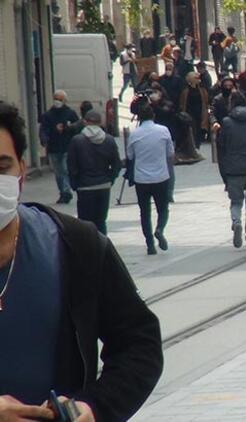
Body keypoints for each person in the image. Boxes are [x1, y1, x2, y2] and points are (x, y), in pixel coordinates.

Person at [0, 101, 163, 422]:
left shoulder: (74, 244)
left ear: (20, 173)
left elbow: (139, 343)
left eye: (1, 166)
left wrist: (94, 407)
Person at [217, 92, 246, 250]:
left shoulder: (227, 122)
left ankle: (236, 221)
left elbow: (222, 145)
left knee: (236, 202)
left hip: (233, 169)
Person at [127, 104, 174, 255]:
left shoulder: (134, 134)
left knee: (144, 212)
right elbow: (170, 153)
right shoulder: (163, 130)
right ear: (153, 116)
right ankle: (160, 229)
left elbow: (130, 156)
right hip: (161, 176)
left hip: (142, 178)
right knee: (163, 208)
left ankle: (150, 245)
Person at [66, 110, 121, 234]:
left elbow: (71, 165)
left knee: (85, 223)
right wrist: (110, 179)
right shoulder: (109, 140)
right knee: (101, 221)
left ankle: (88, 250)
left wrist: (74, 184)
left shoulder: (77, 140)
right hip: (103, 185)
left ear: (85, 122)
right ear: (100, 123)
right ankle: (102, 248)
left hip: (84, 186)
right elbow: (117, 164)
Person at [40, 90, 78, 204]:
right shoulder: (48, 115)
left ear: (65, 101)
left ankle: (66, 192)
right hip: (53, 147)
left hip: (67, 146)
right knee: (58, 172)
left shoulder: (70, 113)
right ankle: (62, 191)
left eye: (60, 99)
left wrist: (66, 129)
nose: (57, 101)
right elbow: (44, 129)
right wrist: (44, 139)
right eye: (56, 98)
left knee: (65, 169)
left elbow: (77, 127)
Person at [179, 72, 210, 149]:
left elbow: (206, 101)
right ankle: (192, 145)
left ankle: (197, 144)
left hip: (199, 112)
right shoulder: (185, 90)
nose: (198, 79)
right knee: (191, 129)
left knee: (199, 128)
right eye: (196, 78)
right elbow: (182, 102)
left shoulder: (202, 89)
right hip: (189, 112)